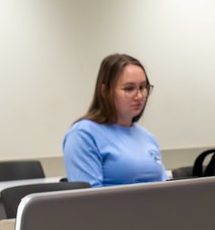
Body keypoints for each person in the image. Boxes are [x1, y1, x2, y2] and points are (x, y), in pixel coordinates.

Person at [62, 53, 166, 187]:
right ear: (104, 91)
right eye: (129, 88)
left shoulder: (147, 137)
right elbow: (88, 202)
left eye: (143, 87)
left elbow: (164, 189)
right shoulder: (83, 134)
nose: (139, 96)